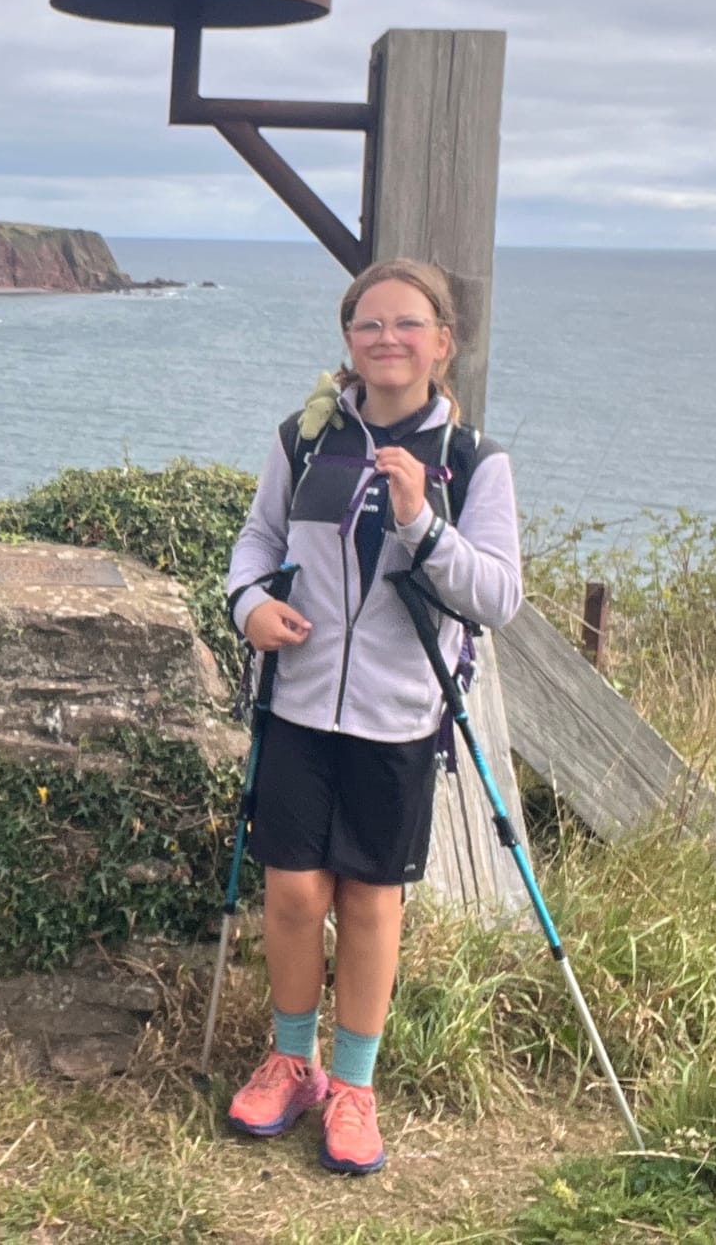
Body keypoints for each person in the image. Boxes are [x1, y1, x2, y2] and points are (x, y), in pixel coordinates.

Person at [218, 258, 523, 1176]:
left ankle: (354, 1084)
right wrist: (247, 607)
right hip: (302, 702)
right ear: (347, 340)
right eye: (368, 325)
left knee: (369, 901)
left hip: (398, 715)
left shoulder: (474, 463)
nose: (387, 340)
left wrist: (424, 522)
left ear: (443, 342)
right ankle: (291, 1060)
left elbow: (499, 596)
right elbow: (257, 540)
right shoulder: (306, 438)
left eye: (407, 324)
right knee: (293, 892)